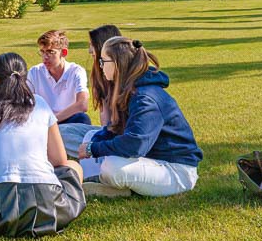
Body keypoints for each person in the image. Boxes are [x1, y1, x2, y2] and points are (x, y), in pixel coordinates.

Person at [0, 52, 85, 237]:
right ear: (24, 79)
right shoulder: (39, 103)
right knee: (74, 166)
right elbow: (60, 161)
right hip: (47, 208)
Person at [77, 37, 202, 198]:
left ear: (117, 63)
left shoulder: (146, 98)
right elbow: (118, 128)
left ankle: (110, 184)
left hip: (176, 170)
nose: (100, 66)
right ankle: (94, 181)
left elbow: (135, 145)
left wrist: (93, 149)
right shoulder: (130, 89)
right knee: (91, 136)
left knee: (113, 166)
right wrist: (95, 142)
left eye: (103, 61)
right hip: (152, 161)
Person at [27, 30, 94, 158]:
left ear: (64, 53)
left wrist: (52, 120)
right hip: (42, 120)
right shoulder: (35, 72)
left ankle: (84, 154)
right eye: (42, 52)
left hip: (66, 118)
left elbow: (82, 104)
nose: (45, 57)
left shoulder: (76, 71)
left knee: (82, 119)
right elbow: (25, 103)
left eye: (50, 52)